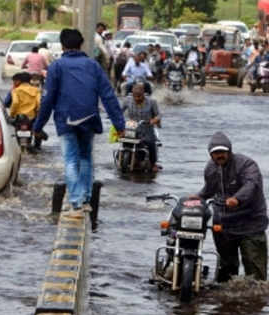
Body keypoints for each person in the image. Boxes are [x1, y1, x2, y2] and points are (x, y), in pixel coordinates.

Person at [32, 28, 125, 218]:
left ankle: (76, 205)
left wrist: (38, 126)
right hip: (89, 117)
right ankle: (85, 200)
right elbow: (108, 96)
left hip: (66, 119)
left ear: (63, 46)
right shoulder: (93, 66)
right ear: (81, 45)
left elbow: (48, 99)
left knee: (71, 160)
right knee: (86, 157)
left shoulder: (56, 67)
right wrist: (119, 124)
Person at [192, 132, 269, 283]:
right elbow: (209, 190)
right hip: (223, 225)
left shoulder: (246, 164)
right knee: (226, 271)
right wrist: (198, 197)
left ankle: (255, 303)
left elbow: (251, 184)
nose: (219, 155)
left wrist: (237, 199)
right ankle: (227, 304)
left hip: (250, 224)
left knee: (255, 274)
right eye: (215, 152)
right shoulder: (210, 169)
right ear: (210, 154)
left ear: (229, 150)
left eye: (222, 151)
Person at [121, 84, 161, 172]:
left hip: (146, 127)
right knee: (123, 139)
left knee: (151, 142)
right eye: (134, 96)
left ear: (143, 94)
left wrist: (154, 120)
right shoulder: (127, 100)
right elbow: (120, 111)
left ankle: (153, 163)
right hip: (132, 127)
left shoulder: (152, 101)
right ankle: (123, 156)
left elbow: (159, 115)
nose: (136, 98)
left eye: (139, 96)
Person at [10, 72, 44, 149]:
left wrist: (12, 113)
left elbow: (15, 102)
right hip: (32, 116)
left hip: (20, 116)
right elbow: (39, 102)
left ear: (20, 81)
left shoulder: (16, 90)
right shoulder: (36, 90)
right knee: (37, 130)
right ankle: (37, 147)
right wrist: (38, 111)